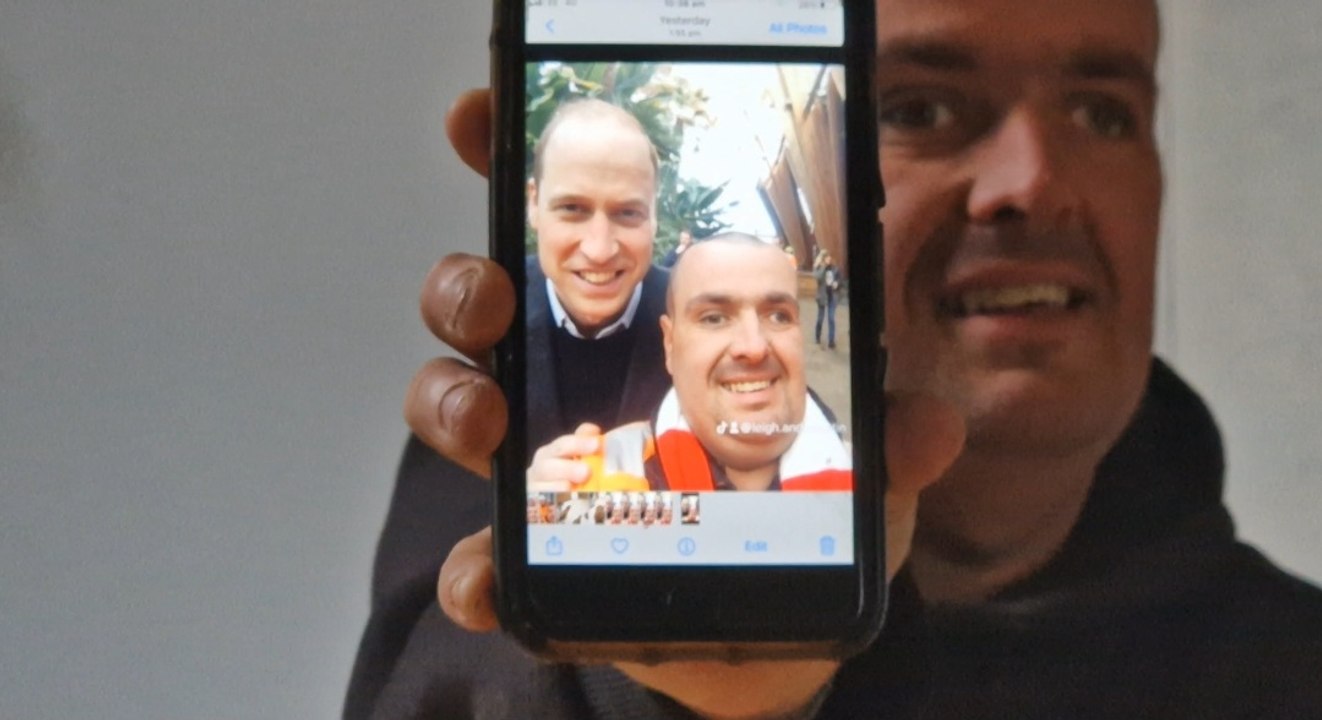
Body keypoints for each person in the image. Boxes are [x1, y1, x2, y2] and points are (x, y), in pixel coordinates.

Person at [346, 0, 1322, 718]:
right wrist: (676, 702)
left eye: (1102, 112)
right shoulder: (535, 470)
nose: (1034, 181)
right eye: (921, 109)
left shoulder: (1289, 668)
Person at [528, 234, 851, 494]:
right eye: (714, 318)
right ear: (670, 344)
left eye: (779, 316)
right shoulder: (590, 482)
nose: (753, 347)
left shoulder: (871, 484)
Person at [518, 97, 672, 453]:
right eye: (573, 208)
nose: (599, 250)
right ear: (533, 203)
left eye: (628, 213)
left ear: (653, 215)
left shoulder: (698, 315)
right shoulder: (492, 314)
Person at [813, 248, 840, 349]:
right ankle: (817, 336)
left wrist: (837, 283)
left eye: (830, 257)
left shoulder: (835, 268)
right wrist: (824, 267)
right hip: (822, 297)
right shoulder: (818, 268)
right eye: (827, 258)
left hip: (832, 296)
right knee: (820, 319)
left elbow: (839, 278)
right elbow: (818, 277)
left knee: (831, 319)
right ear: (823, 259)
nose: (829, 259)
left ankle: (831, 341)